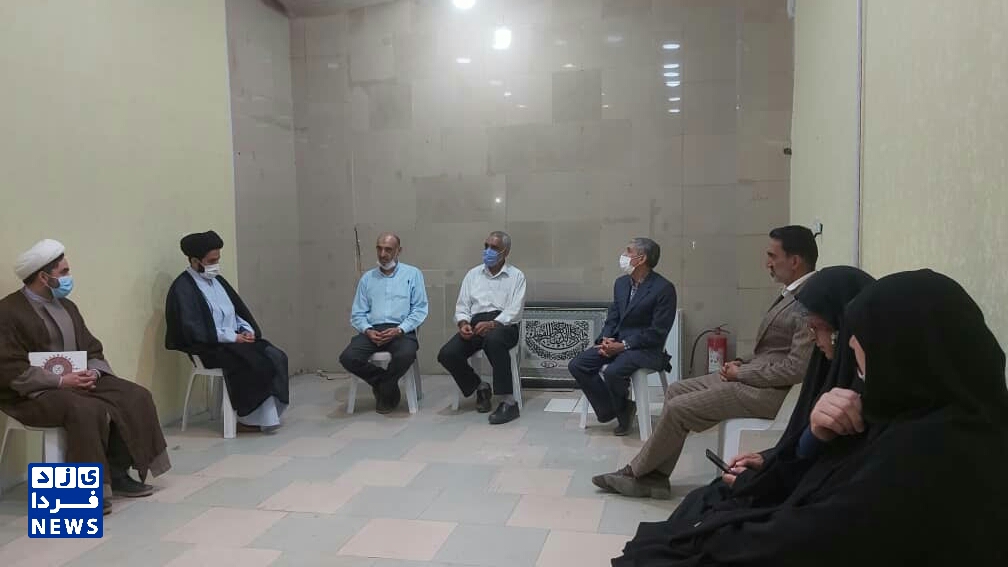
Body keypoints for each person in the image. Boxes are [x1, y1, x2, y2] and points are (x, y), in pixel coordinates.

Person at [611, 269, 1008, 566]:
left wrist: (726, 530)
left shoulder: (933, 451)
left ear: (905, 351)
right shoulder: (915, 411)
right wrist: (790, 452)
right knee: (706, 501)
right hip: (812, 519)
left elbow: (829, 529)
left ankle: (645, 474)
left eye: (862, 349)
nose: (845, 350)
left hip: (807, 518)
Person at [594, 225, 818, 498]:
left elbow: (796, 368)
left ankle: (637, 474)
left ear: (794, 261)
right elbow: (774, 350)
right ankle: (655, 476)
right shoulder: (792, 293)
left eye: (772, 256)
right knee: (676, 391)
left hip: (767, 393)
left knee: (678, 409)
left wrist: (741, 374)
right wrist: (740, 362)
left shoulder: (809, 302)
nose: (767, 263)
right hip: (754, 374)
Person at [666, 266, 875, 522]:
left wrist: (770, 478)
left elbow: (829, 483)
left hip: (809, 504)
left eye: (817, 328)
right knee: (703, 499)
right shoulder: (828, 368)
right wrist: (769, 459)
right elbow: (801, 446)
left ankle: (645, 475)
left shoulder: (862, 400)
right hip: (794, 478)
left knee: (717, 517)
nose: (813, 338)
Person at [0, 239, 170, 512]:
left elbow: (91, 348)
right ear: (43, 277)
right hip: (30, 392)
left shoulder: (67, 307)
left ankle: (117, 473)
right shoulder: (8, 311)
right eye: (64, 272)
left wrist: (93, 371)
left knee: (134, 396)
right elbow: (9, 367)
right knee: (86, 410)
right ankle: (79, 494)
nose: (69, 277)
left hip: (76, 382)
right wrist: (59, 381)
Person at [165, 231, 289, 433]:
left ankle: (269, 415)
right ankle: (247, 418)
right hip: (208, 347)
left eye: (218, 259)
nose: (216, 265)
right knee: (253, 362)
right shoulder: (183, 288)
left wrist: (246, 330)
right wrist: (232, 337)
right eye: (211, 261)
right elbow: (193, 329)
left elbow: (236, 312)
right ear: (195, 261)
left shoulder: (218, 282)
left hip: (235, 341)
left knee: (275, 355)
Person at [568, 238, 677, 436]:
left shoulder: (663, 289)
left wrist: (624, 345)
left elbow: (657, 332)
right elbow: (614, 316)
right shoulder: (621, 284)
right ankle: (617, 409)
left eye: (628, 251)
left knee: (613, 372)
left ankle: (619, 410)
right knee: (578, 365)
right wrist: (606, 339)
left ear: (641, 259)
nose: (623, 256)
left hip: (646, 348)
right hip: (617, 343)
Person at [437, 231, 526, 425]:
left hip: (504, 325)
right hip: (475, 323)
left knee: (494, 341)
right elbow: (462, 306)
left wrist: (493, 324)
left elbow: (515, 310)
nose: (488, 251)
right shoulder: (473, 274)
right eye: (486, 246)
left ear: (505, 251)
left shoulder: (516, 276)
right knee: (447, 354)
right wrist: (463, 323)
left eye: (494, 248)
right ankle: (480, 387)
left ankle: (508, 402)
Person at [338, 232, 428, 413]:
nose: (382, 254)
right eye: (379, 249)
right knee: (348, 357)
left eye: (388, 249)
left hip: (401, 330)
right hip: (373, 330)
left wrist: (400, 329)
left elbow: (420, 309)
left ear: (398, 251)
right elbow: (358, 313)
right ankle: (386, 384)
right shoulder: (367, 278)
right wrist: (367, 330)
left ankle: (385, 389)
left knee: (406, 355)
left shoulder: (412, 274)